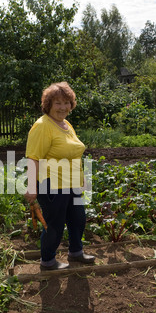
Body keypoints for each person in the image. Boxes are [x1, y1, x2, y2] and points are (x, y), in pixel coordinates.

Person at [25, 82, 95, 271]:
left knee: (78, 218)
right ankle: (47, 260)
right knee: (55, 223)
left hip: (72, 183)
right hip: (52, 183)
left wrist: (81, 178)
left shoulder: (66, 125)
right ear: (48, 104)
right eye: (57, 103)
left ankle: (76, 252)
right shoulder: (42, 126)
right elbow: (33, 157)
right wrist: (32, 186)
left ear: (71, 104)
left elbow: (73, 153)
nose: (63, 107)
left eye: (66, 102)